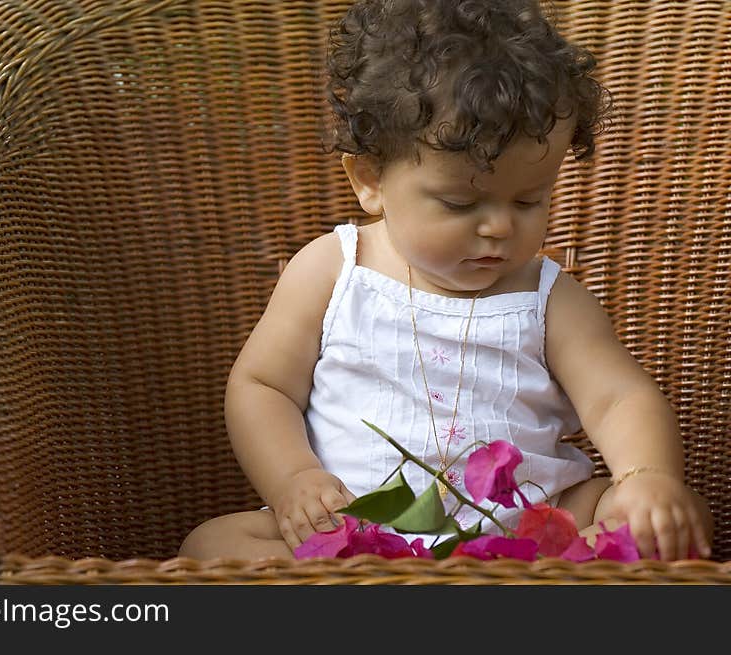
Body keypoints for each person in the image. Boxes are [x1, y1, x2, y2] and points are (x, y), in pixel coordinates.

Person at [179, 0, 713, 562]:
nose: (500, 226)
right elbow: (263, 387)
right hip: (358, 530)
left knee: (666, 521)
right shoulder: (334, 269)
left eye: (529, 200)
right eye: (461, 203)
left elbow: (618, 398)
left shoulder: (548, 298)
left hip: (527, 530)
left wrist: (645, 476)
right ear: (370, 181)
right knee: (211, 546)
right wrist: (293, 479)